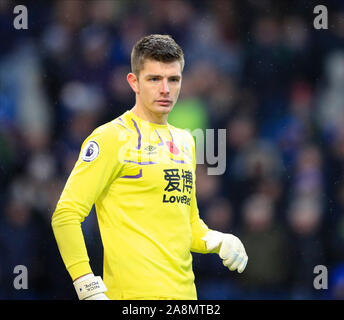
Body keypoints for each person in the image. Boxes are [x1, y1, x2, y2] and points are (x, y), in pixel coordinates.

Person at [51, 34, 248, 300]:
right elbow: (66, 214)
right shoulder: (110, 138)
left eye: (173, 79)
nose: (165, 89)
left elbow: (187, 225)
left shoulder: (185, 142)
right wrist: (86, 285)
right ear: (134, 82)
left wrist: (217, 240)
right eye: (154, 79)